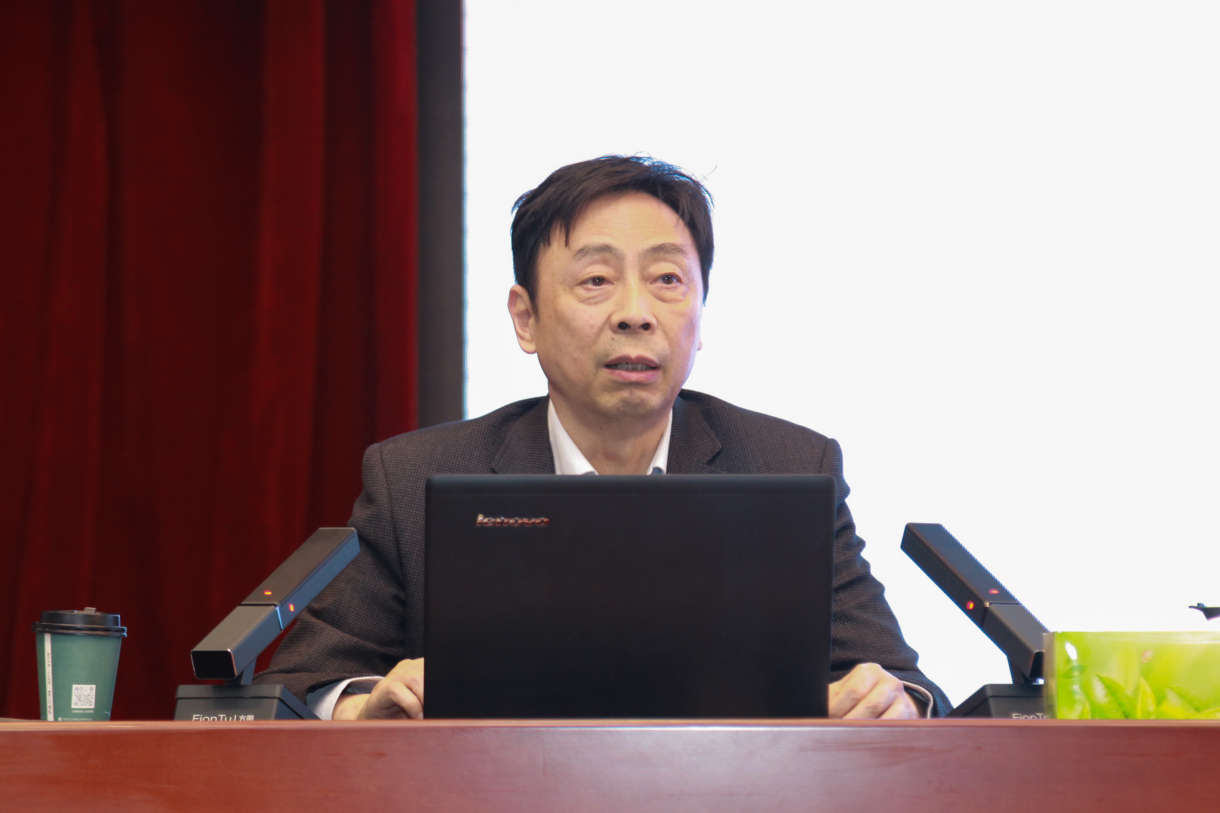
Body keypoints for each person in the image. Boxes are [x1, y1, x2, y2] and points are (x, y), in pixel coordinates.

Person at [257, 155, 950, 720]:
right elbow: (300, 685)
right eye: (596, 280)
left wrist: (891, 702)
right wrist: (364, 706)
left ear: (701, 316)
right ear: (525, 318)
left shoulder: (791, 466)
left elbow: (906, 686)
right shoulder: (415, 476)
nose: (635, 313)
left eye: (668, 279)